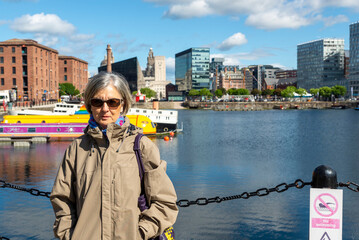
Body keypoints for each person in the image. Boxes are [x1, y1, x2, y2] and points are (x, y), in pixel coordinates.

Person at [50, 72, 178, 240]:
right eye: (97, 102)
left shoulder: (141, 146)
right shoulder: (76, 149)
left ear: (123, 104)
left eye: (112, 102)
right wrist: (70, 235)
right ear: (90, 105)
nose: (105, 109)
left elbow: (164, 202)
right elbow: (62, 199)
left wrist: (140, 233)